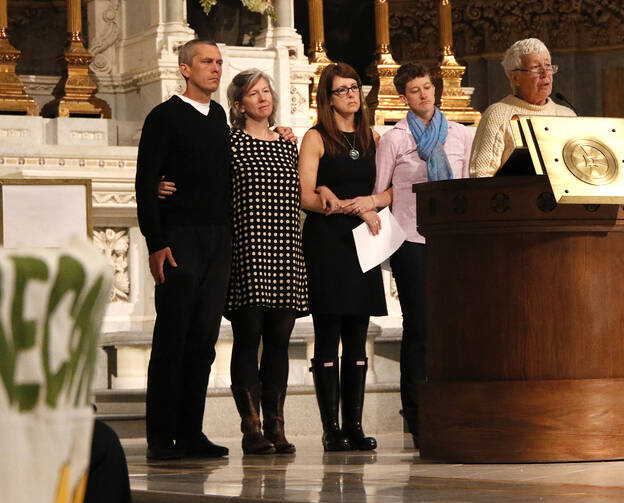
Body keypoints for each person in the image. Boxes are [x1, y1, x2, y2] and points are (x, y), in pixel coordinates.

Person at [158, 69, 304, 456]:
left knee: (279, 343)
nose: (263, 99)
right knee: (248, 338)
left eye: (267, 92)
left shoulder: (289, 144)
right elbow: (202, 179)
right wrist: (161, 184)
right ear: (239, 104)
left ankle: (277, 426)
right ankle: (251, 428)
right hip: (246, 250)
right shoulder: (230, 143)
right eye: (254, 94)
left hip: (286, 249)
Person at [135, 39, 231, 460]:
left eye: (219, 62)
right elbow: (145, 182)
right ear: (185, 69)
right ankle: (161, 437)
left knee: (204, 339)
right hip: (180, 238)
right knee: (173, 337)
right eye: (207, 62)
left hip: (217, 238)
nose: (215, 68)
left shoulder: (219, 116)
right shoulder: (164, 116)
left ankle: (191, 432)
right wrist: (156, 242)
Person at [370, 62, 474, 447]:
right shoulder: (394, 139)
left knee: (453, 326)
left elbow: (468, 184)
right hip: (411, 239)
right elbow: (380, 191)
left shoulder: (461, 135)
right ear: (403, 97)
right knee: (419, 329)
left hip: (453, 241)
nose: (424, 95)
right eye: (415, 90)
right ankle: (416, 416)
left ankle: (453, 407)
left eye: (428, 87)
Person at [298, 62, 387, 452]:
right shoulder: (316, 138)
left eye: (355, 88)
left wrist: (371, 203)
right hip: (329, 242)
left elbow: (391, 191)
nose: (352, 95)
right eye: (342, 90)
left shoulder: (374, 139)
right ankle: (330, 428)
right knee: (328, 333)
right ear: (327, 98)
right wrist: (349, 205)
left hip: (364, 243)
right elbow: (305, 195)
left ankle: (354, 423)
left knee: (357, 335)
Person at [469, 38, 575, 177]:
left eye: (548, 66)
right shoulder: (498, 114)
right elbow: (480, 174)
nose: (545, 73)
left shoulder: (567, 115)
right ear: (515, 78)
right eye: (536, 68)